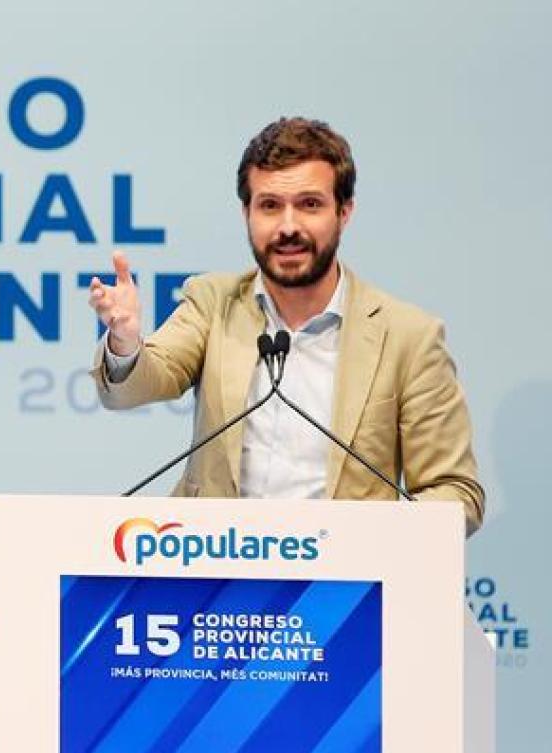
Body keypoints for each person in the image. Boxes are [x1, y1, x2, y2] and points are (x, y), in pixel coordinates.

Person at [88, 117, 485, 535]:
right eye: (270, 206)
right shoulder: (213, 303)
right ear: (247, 213)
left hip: (346, 585)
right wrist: (127, 342)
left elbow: (455, 493)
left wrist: (375, 541)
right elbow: (138, 386)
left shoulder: (407, 336)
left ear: (344, 212)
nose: (289, 227)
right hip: (218, 579)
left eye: (310, 204)